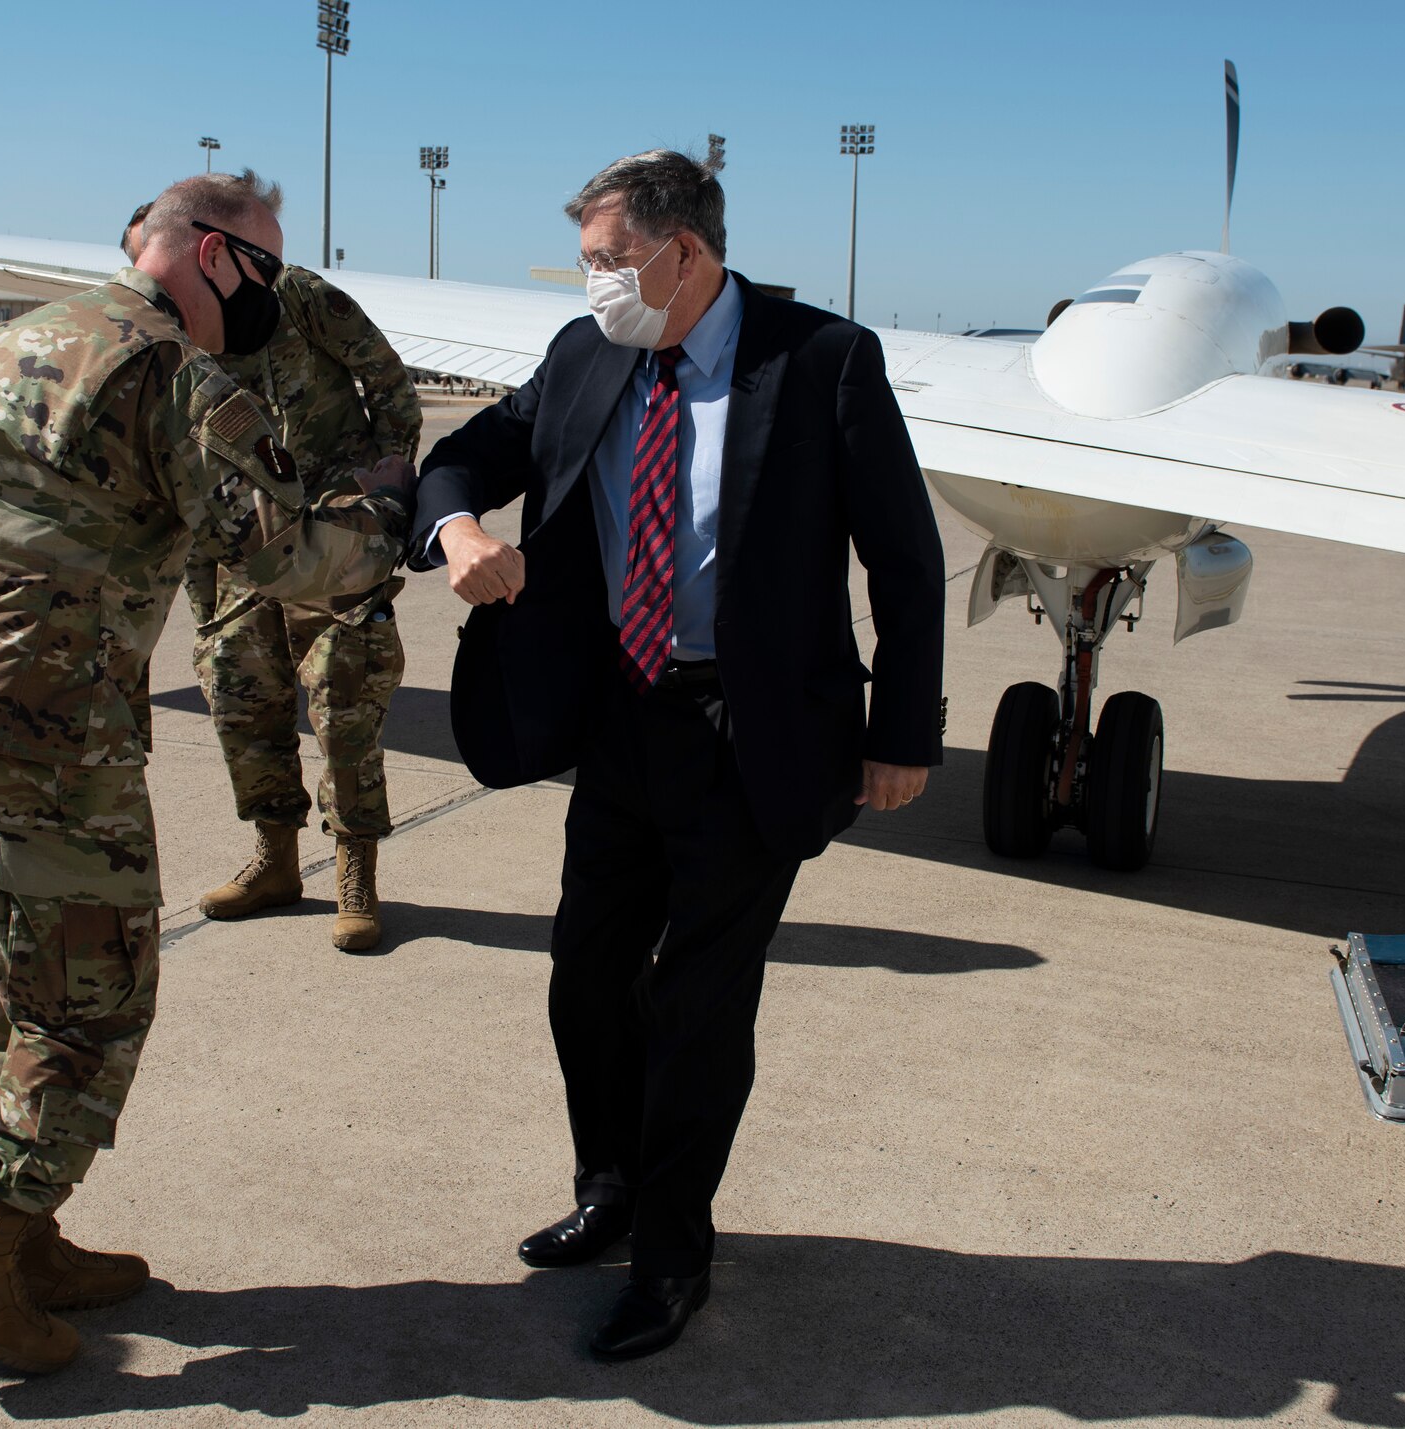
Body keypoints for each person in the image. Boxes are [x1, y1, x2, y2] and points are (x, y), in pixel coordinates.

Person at [413, 150, 944, 1360]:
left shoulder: (820, 362)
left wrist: (901, 734)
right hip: (619, 719)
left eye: (608, 261)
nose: (593, 283)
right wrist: (452, 528)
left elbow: (904, 562)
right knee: (583, 977)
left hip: (752, 734)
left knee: (696, 1001)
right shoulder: (585, 351)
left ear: (683, 253)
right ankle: (607, 1185)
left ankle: (670, 1253)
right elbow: (468, 457)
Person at [0, 169, 415, 1375]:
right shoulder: (179, 375)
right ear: (216, 255)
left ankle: (28, 1236)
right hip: (48, 724)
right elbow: (275, 556)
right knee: (90, 1001)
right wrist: (387, 524)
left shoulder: (9, 340)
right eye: (268, 270)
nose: (277, 299)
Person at [121, 210, 422, 948]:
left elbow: (387, 383)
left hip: (329, 535)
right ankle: (277, 859)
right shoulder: (166, 327)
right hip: (236, 538)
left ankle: (356, 871)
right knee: (239, 698)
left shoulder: (298, 297)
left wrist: (383, 482)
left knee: (344, 701)